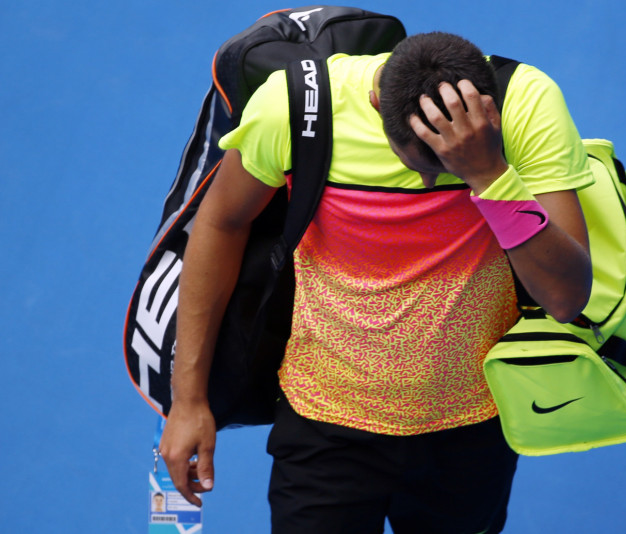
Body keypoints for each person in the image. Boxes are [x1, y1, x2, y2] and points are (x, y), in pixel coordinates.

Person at [159, 31, 594, 533]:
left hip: (473, 433)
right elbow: (221, 223)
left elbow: (565, 298)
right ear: (376, 104)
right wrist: (187, 400)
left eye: (445, 167)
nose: (429, 181)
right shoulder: (297, 105)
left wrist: (488, 174)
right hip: (323, 425)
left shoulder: (527, 103)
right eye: (419, 162)